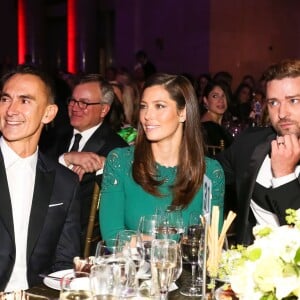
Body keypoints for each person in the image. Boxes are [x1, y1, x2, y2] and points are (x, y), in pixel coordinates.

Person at [100, 73, 225, 241]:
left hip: (188, 267)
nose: (147, 116)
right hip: (135, 266)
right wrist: (163, 250)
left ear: (183, 113)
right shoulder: (120, 162)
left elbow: (211, 243)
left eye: (159, 106)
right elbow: (112, 235)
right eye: (144, 106)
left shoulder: (210, 172)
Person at [0, 65, 81, 291]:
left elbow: (64, 264)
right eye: (6, 99)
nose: (11, 110)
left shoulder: (64, 182)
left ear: (48, 113)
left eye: (25, 101)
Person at [217, 59, 300, 245]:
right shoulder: (251, 143)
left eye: (293, 100)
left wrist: (285, 176)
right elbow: (209, 169)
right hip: (249, 267)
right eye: (273, 103)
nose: (282, 113)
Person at [45, 73, 128, 253]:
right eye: (73, 101)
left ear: (104, 110)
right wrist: (66, 158)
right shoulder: (54, 135)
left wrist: (107, 166)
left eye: (84, 103)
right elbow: (37, 171)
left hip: (79, 241)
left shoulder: (115, 149)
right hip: (42, 225)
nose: (75, 107)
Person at [201, 80, 234, 155]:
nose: (221, 100)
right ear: (205, 100)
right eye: (215, 96)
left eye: (223, 95)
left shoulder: (217, 126)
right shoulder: (209, 128)